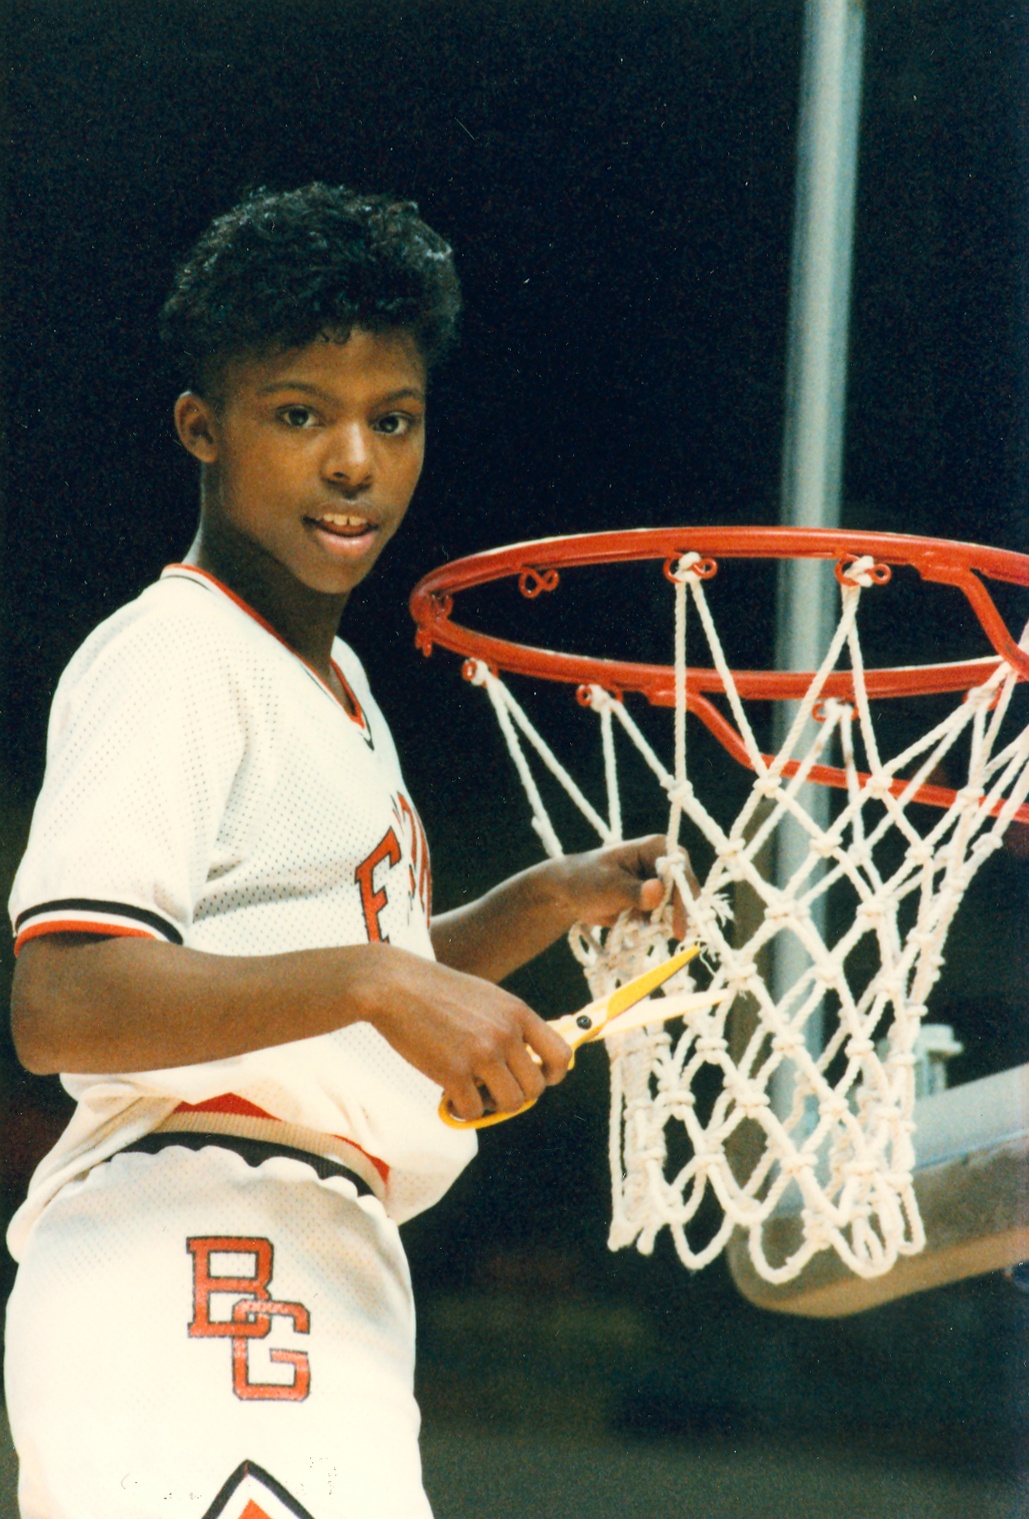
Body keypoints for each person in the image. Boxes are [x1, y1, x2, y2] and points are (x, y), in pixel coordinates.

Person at [4, 184, 682, 1519]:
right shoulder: (174, 657)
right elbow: (62, 998)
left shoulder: (342, 690)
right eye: (300, 414)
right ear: (204, 428)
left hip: (318, 1264)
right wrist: (382, 983)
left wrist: (537, 903)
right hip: (197, 1243)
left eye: (393, 420)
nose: (354, 463)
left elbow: (305, 973)